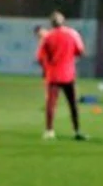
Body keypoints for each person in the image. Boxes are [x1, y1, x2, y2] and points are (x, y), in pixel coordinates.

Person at [36, 11, 87, 140]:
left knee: (51, 104)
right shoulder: (72, 33)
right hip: (69, 74)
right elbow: (80, 50)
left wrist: (48, 65)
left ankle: (49, 130)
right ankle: (77, 130)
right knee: (73, 103)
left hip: (53, 75)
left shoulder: (47, 37)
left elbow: (40, 57)